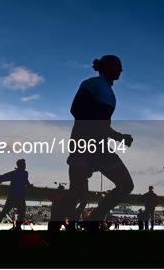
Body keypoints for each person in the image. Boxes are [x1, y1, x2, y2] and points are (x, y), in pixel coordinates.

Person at [50, 55, 134, 232]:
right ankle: (54, 228)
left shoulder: (110, 93)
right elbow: (76, 109)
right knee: (77, 191)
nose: (121, 69)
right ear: (107, 66)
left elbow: (103, 125)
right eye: (118, 65)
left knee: (126, 185)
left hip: (101, 147)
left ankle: (94, 220)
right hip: (83, 143)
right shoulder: (91, 83)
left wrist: (119, 136)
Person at [0, 159, 32, 231]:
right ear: (20, 165)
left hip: (18, 197)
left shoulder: (24, 173)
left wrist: (29, 186)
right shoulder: (15, 173)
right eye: (24, 164)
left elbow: (26, 181)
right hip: (14, 197)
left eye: (25, 164)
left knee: (18, 213)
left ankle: (16, 227)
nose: (25, 165)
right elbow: (3, 177)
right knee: (7, 212)